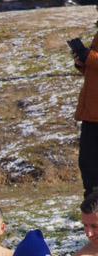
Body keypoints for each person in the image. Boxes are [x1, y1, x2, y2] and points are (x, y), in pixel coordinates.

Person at [74, 16, 98, 196]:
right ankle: (93, 215)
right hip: (91, 113)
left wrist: (88, 56)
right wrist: (82, 63)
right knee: (88, 166)